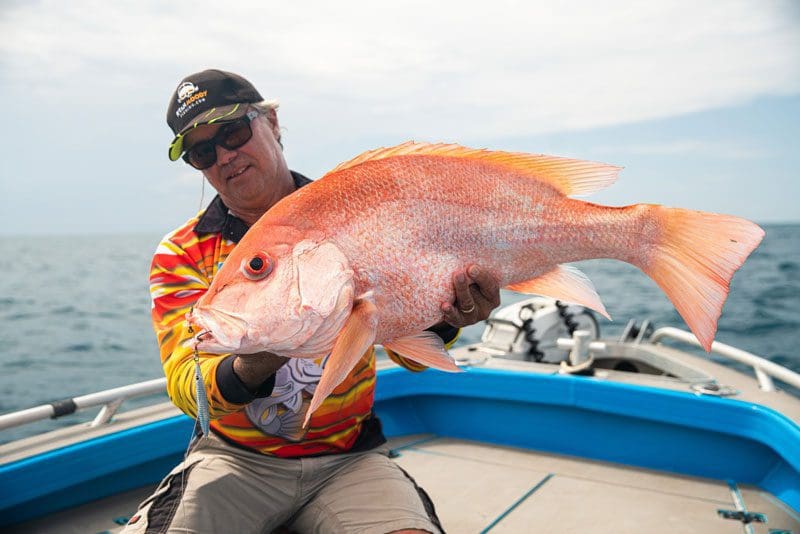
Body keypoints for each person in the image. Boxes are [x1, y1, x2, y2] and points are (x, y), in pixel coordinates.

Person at [124, 69, 501, 534]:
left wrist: (447, 319)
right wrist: (262, 352)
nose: (226, 155)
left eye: (234, 132)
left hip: (351, 458)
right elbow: (188, 386)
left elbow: (416, 357)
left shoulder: (359, 211)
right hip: (236, 461)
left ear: (273, 122)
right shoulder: (182, 253)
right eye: (204, 151)